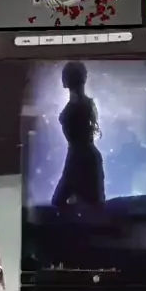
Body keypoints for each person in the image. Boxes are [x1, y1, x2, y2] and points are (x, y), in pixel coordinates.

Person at [51, 61, 105, 207]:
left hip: (79, 159)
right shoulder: (85, 104)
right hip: (85, 158)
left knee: (60, 204)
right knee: (91, 207)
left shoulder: (78, 106)